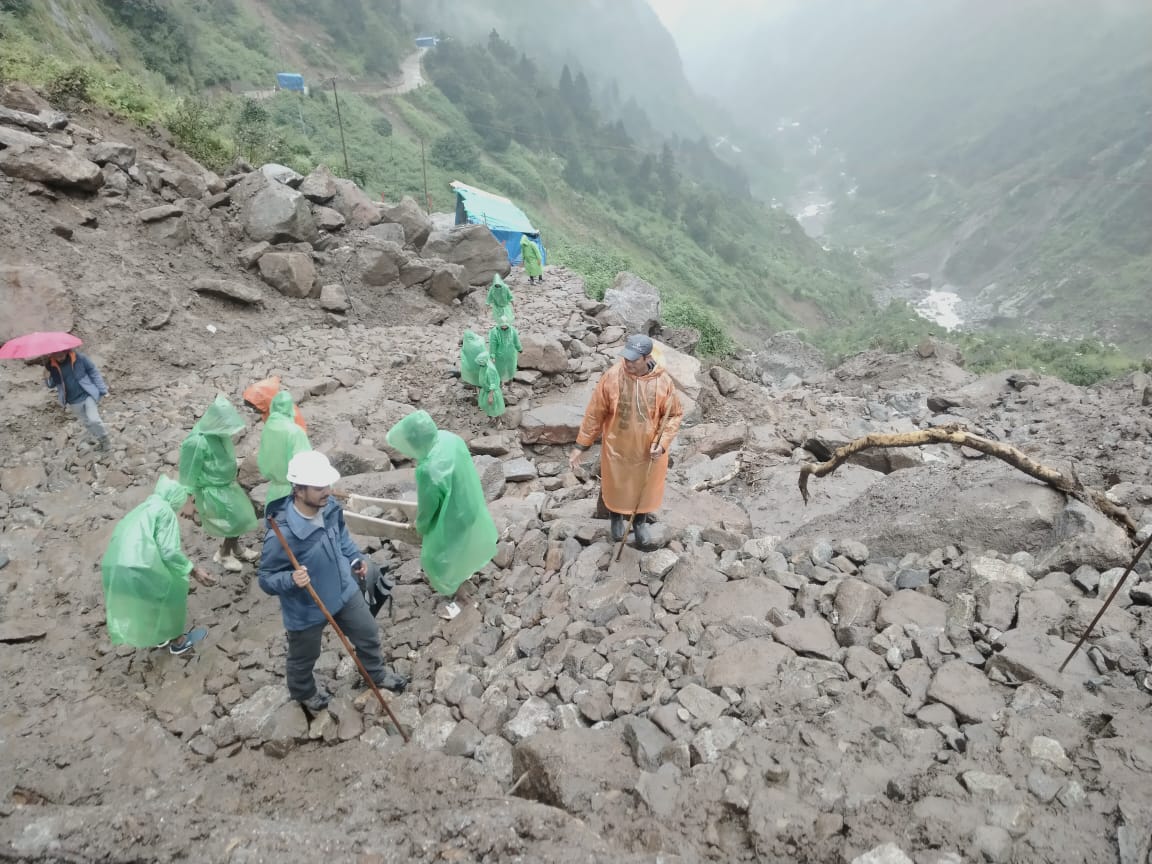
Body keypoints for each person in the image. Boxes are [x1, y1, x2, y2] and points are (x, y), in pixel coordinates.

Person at [258, 451, 407, 711]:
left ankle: (375, 673)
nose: (327, 491)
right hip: (307, 608)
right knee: (304, 656)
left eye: (327, 484)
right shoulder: (282, 535)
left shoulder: (329, 508)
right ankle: (304, 692)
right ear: (299, 490)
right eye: (318, 487)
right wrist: (291, 579)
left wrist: (354, 559)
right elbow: (266, 579)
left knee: (368, 633)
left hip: (343, 590)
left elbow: (342, 539)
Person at [567, 334, 683, 549]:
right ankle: (616, 519)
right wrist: (580, 446)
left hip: (649, 451)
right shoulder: (612, 377)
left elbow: (674, 415)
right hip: (617, 446)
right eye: (626, 358)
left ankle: (639, 523)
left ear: (646, 358)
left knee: (644, 487)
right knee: (617, 486)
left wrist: (662, 442)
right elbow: (595, 413)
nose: (627, 363)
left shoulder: (663, 381)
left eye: (633, 360)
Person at [386, 411, 497, 620]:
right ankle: (467, 575)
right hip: (470, 503)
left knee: (437, 558)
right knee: (464, 545)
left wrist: (421, 526)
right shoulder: (449, 438)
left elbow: (429, 508)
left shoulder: (428, 469)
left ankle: (459, 594)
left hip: (453, 516)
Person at [101, 475, 216, 655]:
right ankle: (179, 641)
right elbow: (169, 551)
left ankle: (161, 636)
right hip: (138, 565)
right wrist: (193, 570)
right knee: (171, 588)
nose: (190, 509)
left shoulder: (145, 507)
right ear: (184, 497)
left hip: (115, 565)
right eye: (192, 503)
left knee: (150, 598)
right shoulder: (165, 511)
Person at [179, 394, 259, 573]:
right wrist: (188, 501)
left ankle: (235, 548)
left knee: (240, 517)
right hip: (213, 489)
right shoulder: (197, 442)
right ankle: (223, 553)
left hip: (227, 485)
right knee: (237, 519)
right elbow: (188, 472)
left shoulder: (217, 433)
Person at [43, 350, 109, 449]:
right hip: (73, 401)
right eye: (57, 355)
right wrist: (46, 377)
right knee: (87, 423)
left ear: (66, 351)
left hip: (87, 395)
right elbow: (51, 385)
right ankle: (100, 441)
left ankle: (105, 440)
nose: (60, 357)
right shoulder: (51, 366)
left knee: (94, 420)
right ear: (52, 355)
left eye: (61, 355)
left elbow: (93, 371)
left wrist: (102, 389)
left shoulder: (79, 358)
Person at [257, 390, 311, 504]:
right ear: (291, 408)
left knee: (274, 519)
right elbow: (305, 464)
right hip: (294, 493)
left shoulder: (268, 428)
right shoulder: (295, 432)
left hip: (275, 491)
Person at [488, 308, 522, 383]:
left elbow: (516, 340)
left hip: (511, 353)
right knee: (500, 369)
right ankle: (500, 383)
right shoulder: (495, 332)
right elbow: (493, 344)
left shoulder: (512, 330)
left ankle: (510, 384)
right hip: (499, 354)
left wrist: (519, 348)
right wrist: (492, 355)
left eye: (505, 326)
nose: (504, 327)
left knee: (511, 368)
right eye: (502, 326)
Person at [475, 351, 505, 420]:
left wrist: (491, 396)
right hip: (485, 390)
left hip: (491, 392)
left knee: (495, 408)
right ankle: (491, 419)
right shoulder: (484, 366)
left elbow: (493, 383)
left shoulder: (490, 370)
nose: (479, 365)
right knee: (486, 406)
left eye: (480, 363)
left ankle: (498, 422)